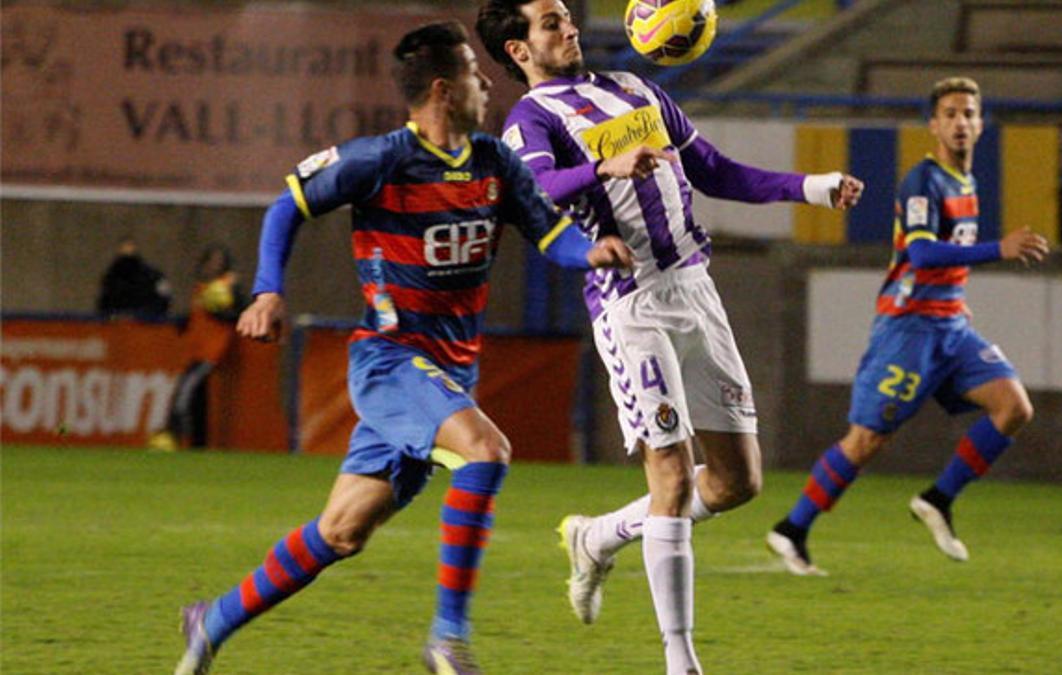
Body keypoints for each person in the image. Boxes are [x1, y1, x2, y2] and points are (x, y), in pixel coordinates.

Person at [172, 21, 631, 675]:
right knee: (487, 450)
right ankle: (448, 637)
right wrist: (268, 290)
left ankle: (211, 620)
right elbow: (287, 205)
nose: (486, 84)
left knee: (342, 531)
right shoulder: (378, 159)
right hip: (390, 362)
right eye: (475, 73)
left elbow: (551, 234)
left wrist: (593, 253)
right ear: (445, 90)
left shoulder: (495, 163)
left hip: (448, 374)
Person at [475, 3, 862, 673]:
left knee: (739, 480)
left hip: (696, 290)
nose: (568, 28)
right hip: (632, 304)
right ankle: (680, 659)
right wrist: (605, 166)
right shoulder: (531, 120)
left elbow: (712, 168)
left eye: (566, 16)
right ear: (518, 49)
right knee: (673, 475)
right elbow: (528, 188)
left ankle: (598, 535)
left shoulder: (635, 88)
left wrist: (813, 187)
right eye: (549, 23)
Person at [765, 77, 1050, 576]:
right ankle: (792, 529)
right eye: (951, 113)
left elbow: (945, 264)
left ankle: (938, 499)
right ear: (933, 124)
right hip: (909, 328)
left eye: (969, 113)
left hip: (951, 326)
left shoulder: (967, 182)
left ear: (981, 124)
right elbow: (920, 254)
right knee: (866, 441)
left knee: (1013, 407)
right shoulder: (923, 180)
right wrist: (997, 249)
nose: (961, 122)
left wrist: (957, 300)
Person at [148, 244, 245, 452]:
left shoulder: (227, 287)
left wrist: (219, 313)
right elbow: (197, 316)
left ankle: (174, 437)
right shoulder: (203, 288)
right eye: (209, 261)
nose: (212, 266)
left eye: (217, 262)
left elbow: (240, 314)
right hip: (196, 350)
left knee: (185, 393)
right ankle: (197, 443)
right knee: (197, 398)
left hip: (211, 351)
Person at [96, 235, 171, 319]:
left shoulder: (151, 275)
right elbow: (104, 301)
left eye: (129, 246)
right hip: (119, 324)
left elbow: (163, 299)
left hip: (146, 323)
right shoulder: (112, 277)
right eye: (125, 247)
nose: (127, 249)